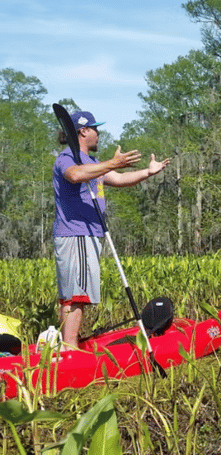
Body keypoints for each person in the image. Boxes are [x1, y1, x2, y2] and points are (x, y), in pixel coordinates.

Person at [53, 111, 170, 350]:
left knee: (74, 294)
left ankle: (67, 346)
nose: (99, 132)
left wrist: (148, 172)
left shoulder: (94, 163)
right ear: (83, 132)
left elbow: (118, 178)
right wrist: (113, 162)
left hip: (87, 235)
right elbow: (75, 175)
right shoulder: (66, 158)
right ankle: (70, 348)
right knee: (77, 295)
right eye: (95, 128)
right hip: (77, 233)